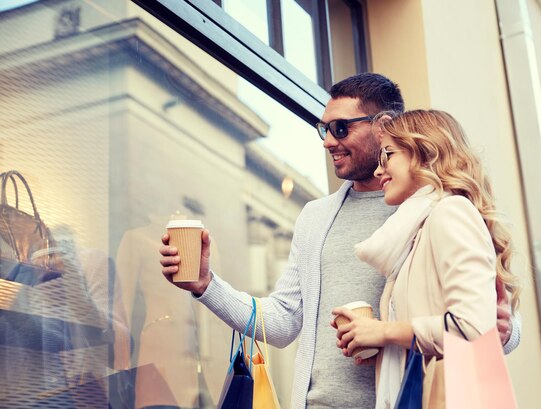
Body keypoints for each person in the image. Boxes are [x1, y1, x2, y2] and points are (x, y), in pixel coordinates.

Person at [159, 73, 520, 409]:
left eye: (340, 128)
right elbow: (283, 321)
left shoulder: (433, 209)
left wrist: (501, 329)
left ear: (383, 128)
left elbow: (487, 320)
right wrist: (206, 286)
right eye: (325, 129)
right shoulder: (315, 217)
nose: (329, 141)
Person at [332, 109, 521, 409]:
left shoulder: (450, 212)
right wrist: (379, 343)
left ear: (424, 153)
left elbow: (472, 327)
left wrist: (384, 332)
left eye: (388, 156)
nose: (380, 171)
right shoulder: (415, 231)